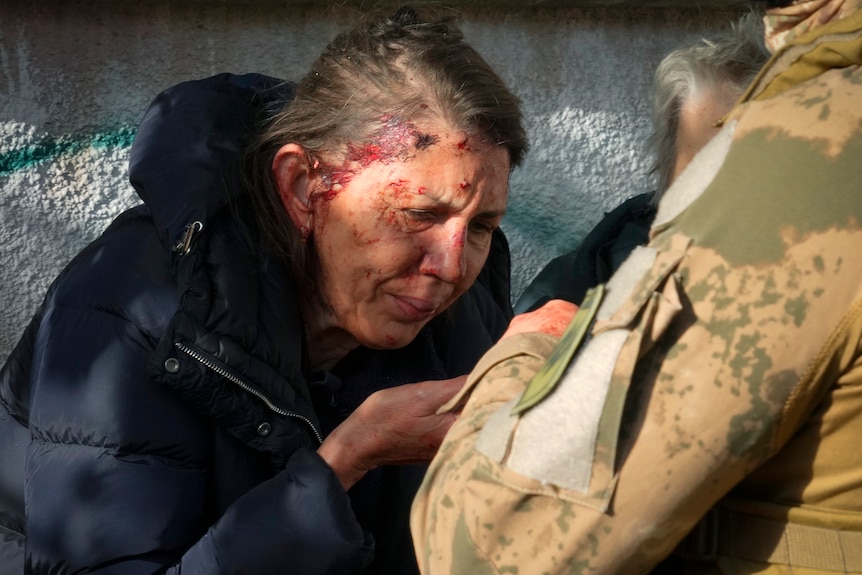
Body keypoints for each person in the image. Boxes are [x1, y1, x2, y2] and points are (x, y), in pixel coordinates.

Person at [0, 6, 527, 574]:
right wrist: (345, 461)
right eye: (417, 213)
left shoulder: (461, 314)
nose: (450, 267)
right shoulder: (135, 309)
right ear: (303, 186)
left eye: (480, 227)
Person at [412, 0, 862, 573]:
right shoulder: (591, 272)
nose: (448, 264)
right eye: (703, 171)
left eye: (482, 225)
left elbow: (491, 547)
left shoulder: (821, 150)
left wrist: (523, 358)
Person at [514, 12, 769, 315]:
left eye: (739, 174)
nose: (713, 202)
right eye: (696, 176)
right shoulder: (583, 283)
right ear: (666, 168)